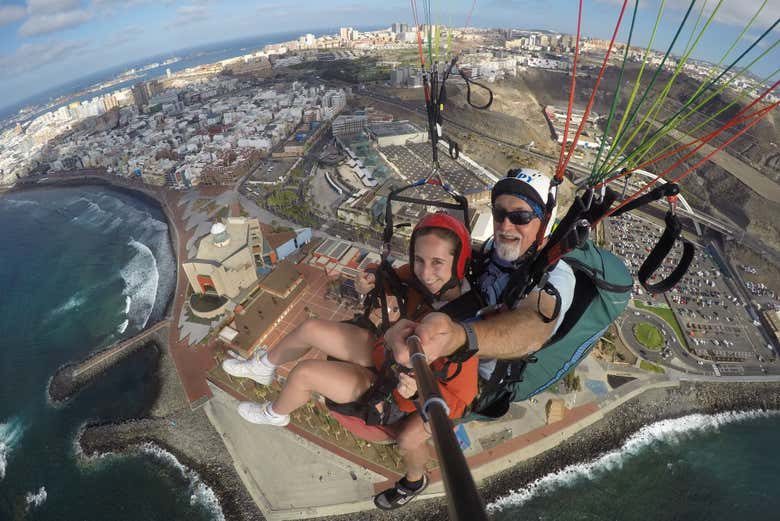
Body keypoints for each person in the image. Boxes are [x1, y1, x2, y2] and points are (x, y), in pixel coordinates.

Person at [222, 213, 479, 510]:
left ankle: (413, 479)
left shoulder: (462, 329)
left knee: (310, 377)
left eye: (437, 263)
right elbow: (391, 275)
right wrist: (367, 278)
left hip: (402, 385)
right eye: (419, 260)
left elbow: (460, 401)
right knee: (310, 329)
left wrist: (418, 393)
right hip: (389, 351)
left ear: (457, 263)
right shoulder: (422, 278)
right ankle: (263, 366)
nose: (425, 272)